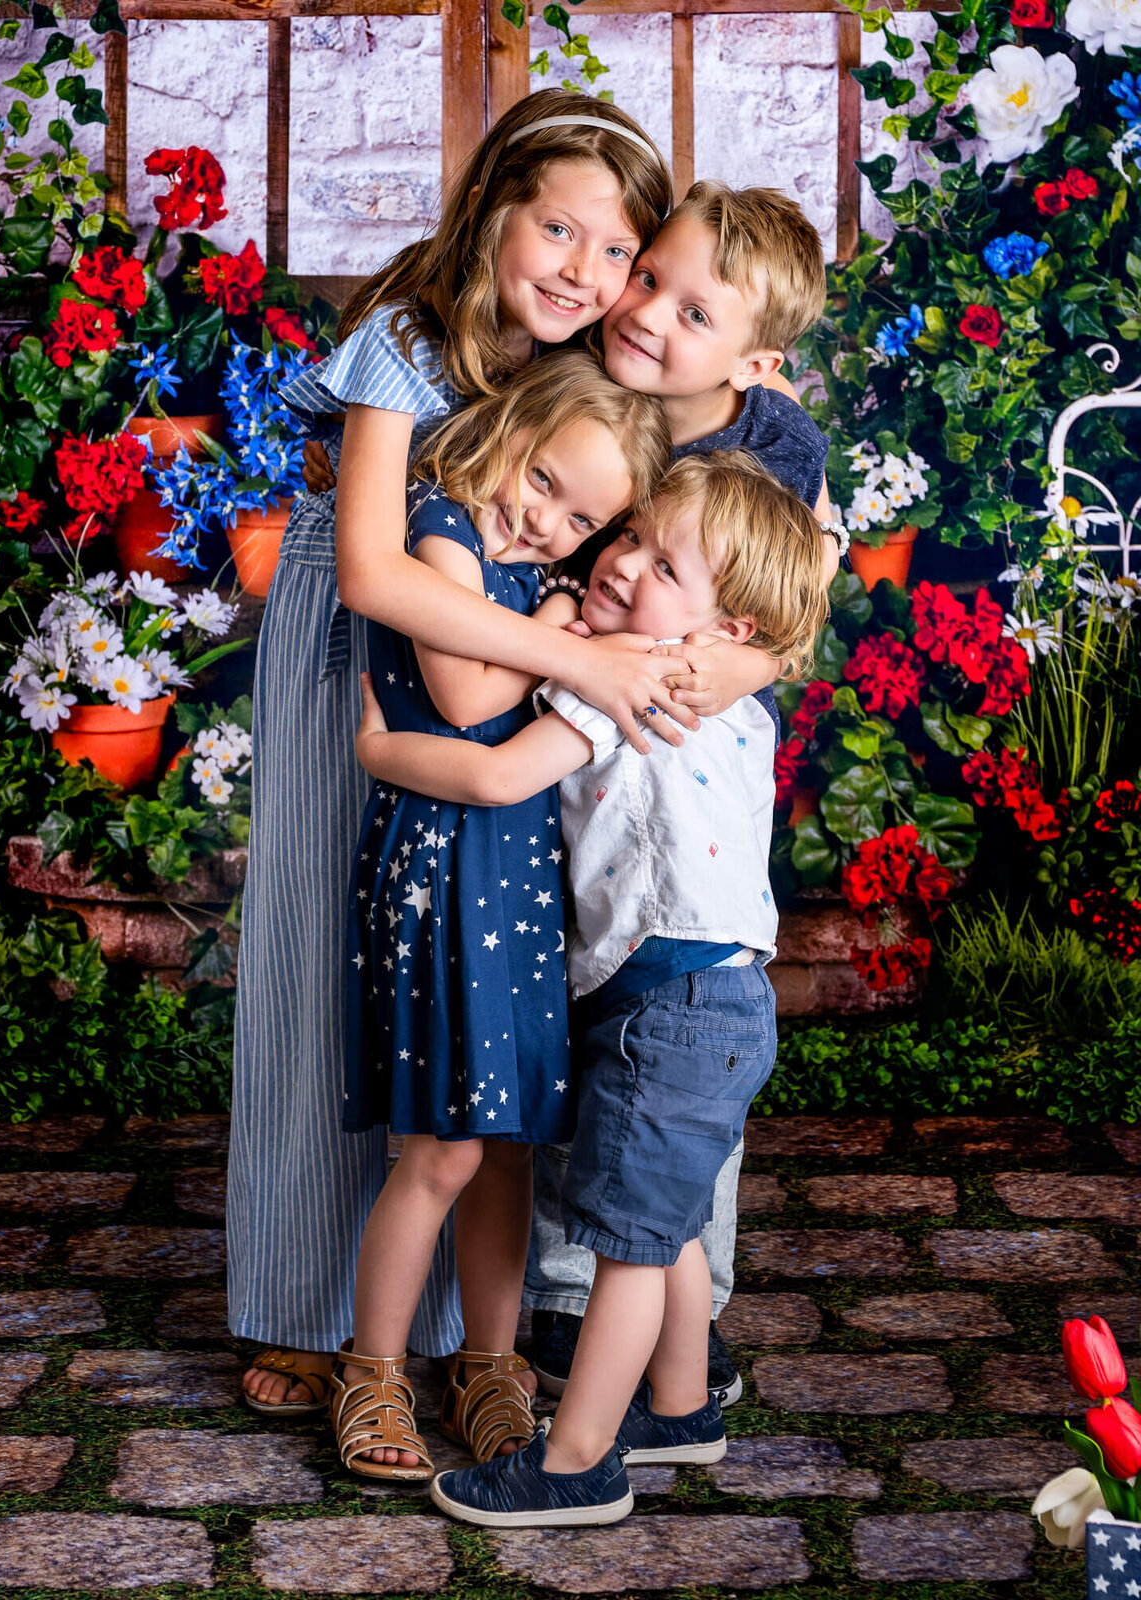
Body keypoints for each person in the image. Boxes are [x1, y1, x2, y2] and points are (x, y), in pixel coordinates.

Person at [230, 90, 697, 1416]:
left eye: (618, 252)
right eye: (559, 229)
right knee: (328, 967)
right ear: (496, 206)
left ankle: (453, 1330)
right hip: (359, 661)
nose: (586, 272)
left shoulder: (586, 357)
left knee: (456, 1012)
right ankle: (306, 1309)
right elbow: (379, 573)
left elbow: (687, 445)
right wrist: (580, 661)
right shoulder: (408, 336)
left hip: (489, 685)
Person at [353, 451, 831, 1525]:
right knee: (667, 1215)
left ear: (728, 631)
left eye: (664, 564)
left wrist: (384, 751)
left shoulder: (634, 680)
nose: (624, 563)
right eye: (631, 538)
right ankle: (678, 1404)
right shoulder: (728, 694)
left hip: (669, 999)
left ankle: (575, 1465)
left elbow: (501, 774)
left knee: (627, 1244)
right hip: (717, 995)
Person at [525, 180, 845, 1402]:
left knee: (678, 1041)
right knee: (591, 1001)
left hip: (689, 762)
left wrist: (698, 665)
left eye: (690, 307)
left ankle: (676, 1313)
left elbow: (799, 590)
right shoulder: (584, 379)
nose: (646, 309)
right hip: (587, 739)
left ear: (756, 359)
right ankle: (573, 1288)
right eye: (645, 274)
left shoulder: (771, 446)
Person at [332, 351, 670, 1482]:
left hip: (511, 870)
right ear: (509, 430)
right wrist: (577, 635)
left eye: (579, 518)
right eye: (541, 482)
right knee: (441, 1145)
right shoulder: (442, 530)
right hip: (439, 864)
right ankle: (372, 1367)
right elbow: (473, 695)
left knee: (509, 1138)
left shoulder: (536, 576)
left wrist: (567, 609)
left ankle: (489, 1364)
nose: (545, 521)